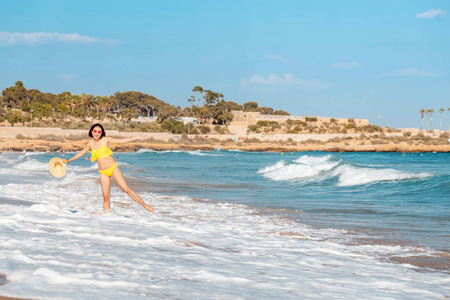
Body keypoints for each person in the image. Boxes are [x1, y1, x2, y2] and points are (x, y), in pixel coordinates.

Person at [62, 123, 154, 213]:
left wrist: (136, 137)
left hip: (113, 168)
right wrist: (68, 160)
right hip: (103, 172)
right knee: (106, 197)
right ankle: (107, 218)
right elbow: (80, 153)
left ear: (102, 133)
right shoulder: (90, 144)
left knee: (126, 189)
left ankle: (146, 206)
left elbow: (122, 141)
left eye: (99, 131)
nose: (97, 133)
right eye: (95, 131)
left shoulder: (105, 140)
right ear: (91, 131)